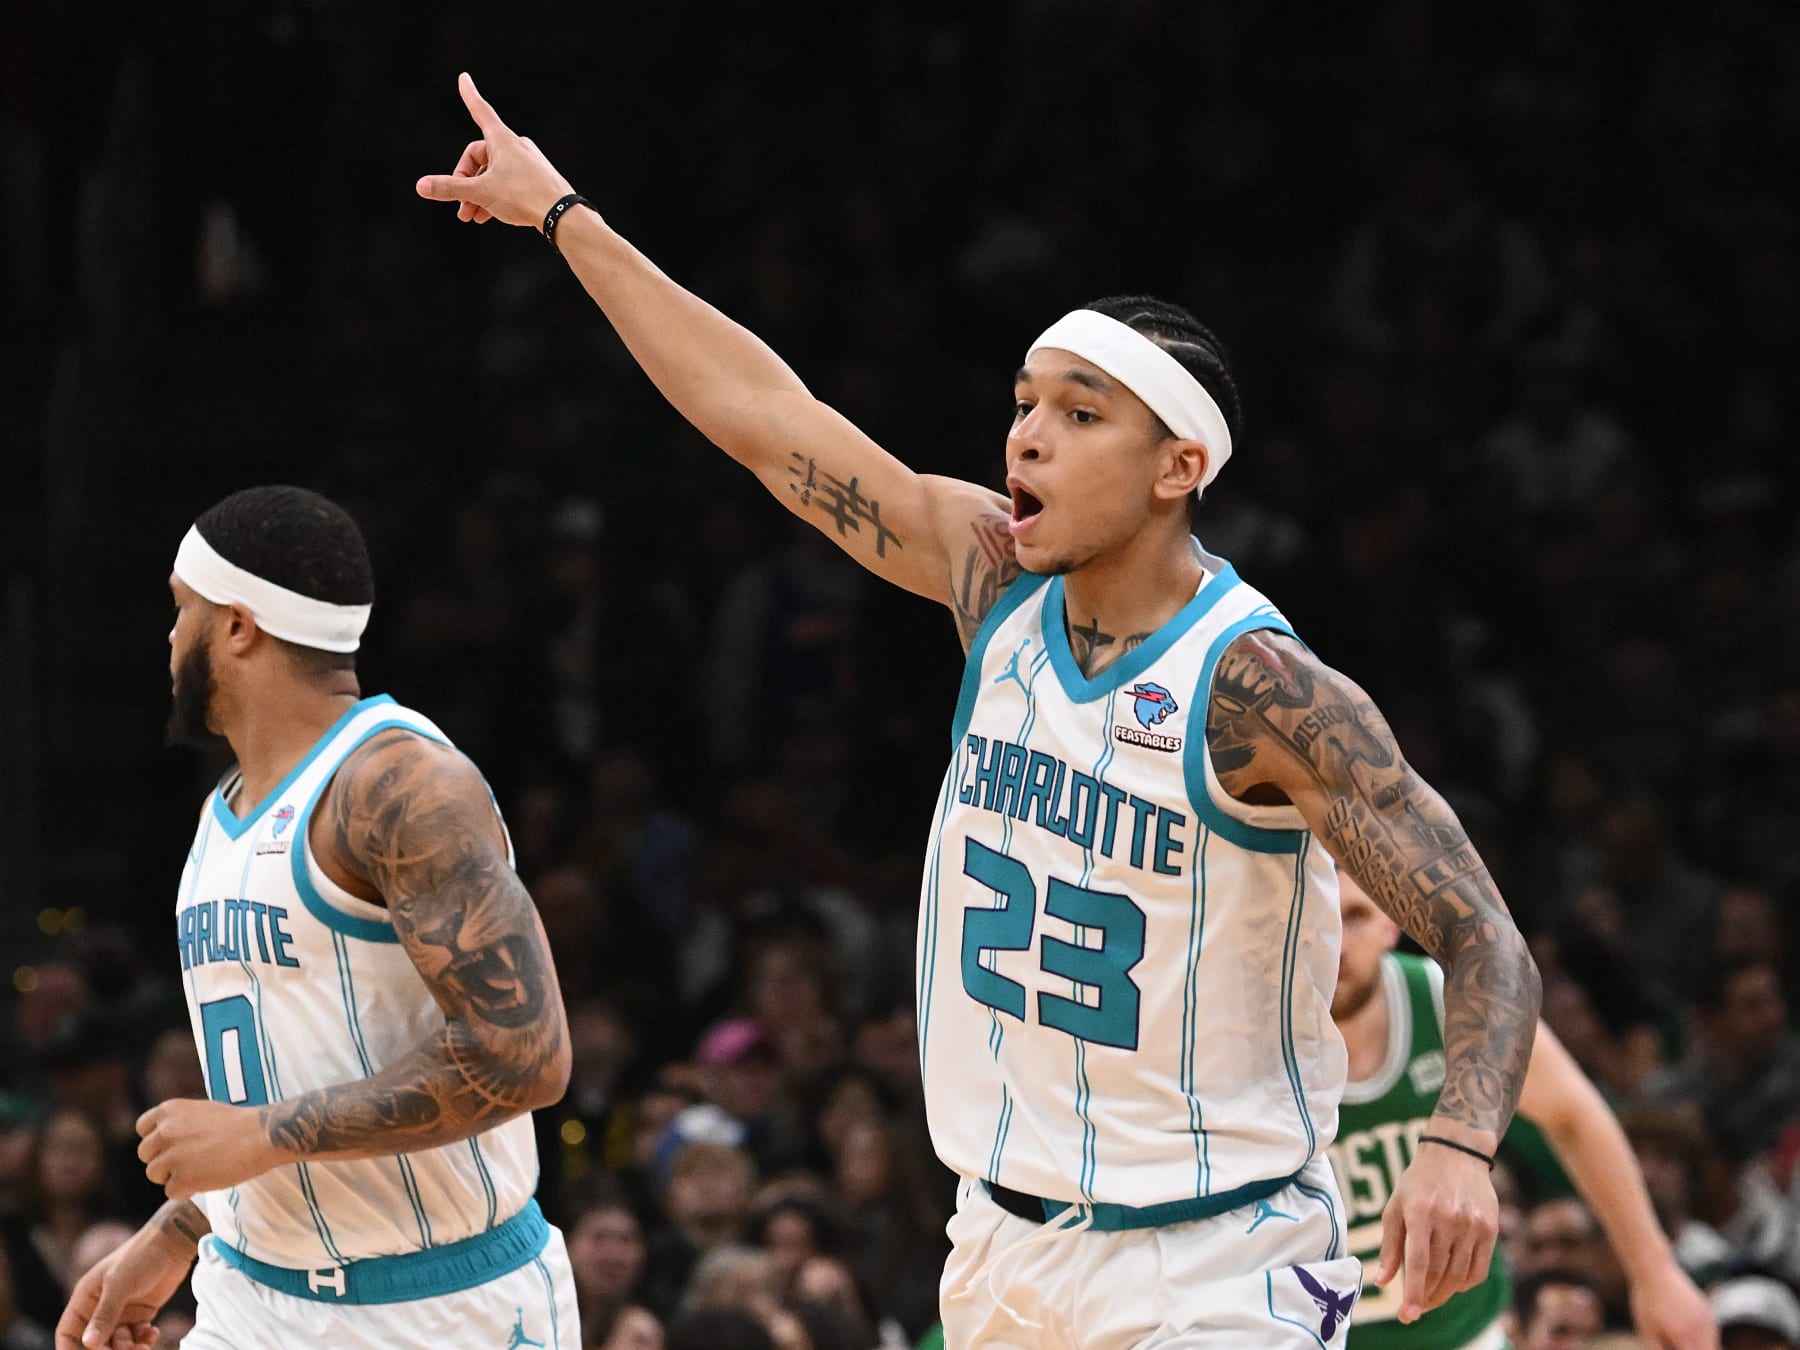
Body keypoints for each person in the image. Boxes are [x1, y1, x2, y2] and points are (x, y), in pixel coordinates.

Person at [419, 74, 1546, 1347]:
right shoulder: (993, 583)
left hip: (1214, 1263)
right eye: (1023, 404)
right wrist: (563, 215)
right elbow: (765, 420)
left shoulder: (1259, 688)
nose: (1026, 438)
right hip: (1002, 1250)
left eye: (1079, 413)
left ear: (1179, 467)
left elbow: (1485, 937)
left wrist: (1460, 1145)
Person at [57, 487, 577, 1350]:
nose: (171, 637)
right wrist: (185, 1224)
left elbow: (524, 1056)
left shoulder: (401, 786)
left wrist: (260, 1137)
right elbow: (297, 1070)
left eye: (182, 609)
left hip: (445, 1306)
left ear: (237, 626)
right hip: (252, 1298)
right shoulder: (224, 809)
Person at [1329, 870, 1715, 1349]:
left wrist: (1654, 1272)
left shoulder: (1446, 998)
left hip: (1471, 1338)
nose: (1338, 941)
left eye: (1356, 916)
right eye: (1320, 917)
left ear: (1391, 924)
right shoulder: (1253, 1035)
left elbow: (1573, 1113)